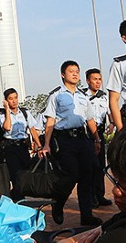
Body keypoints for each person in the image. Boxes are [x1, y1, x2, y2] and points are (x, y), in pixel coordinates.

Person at [41, 61, 102, 227]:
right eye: (71, 71)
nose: (75, 74)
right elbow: (50, 121)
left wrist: (97, 139)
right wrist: (46, 144)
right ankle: (58, 203)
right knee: (71, 174)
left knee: (87, 176)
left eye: (77, 71)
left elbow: (90, 120)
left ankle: (87, 215)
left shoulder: (83, 96)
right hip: (65, 140)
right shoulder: (56, 96)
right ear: (63, 75)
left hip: (83, 139)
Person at [0, 87, 38, 199]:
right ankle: (19, 199)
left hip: (23, 147)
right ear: (6, 101)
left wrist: (39, 145)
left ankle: (20, 196)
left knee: (25, 173)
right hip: (10, 148)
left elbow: (32, 129)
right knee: (15, 175)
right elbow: (7, 127)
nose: (14, 101)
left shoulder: (24, 112)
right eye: (10, 99)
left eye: (15, 98)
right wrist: (7, 110)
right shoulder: (1, 114)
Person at [84, 68, 112, 206]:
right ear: (88, 81)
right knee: (90, 166)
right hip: (87, 134)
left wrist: (111, 123)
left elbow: (109, 111)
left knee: (100, 166)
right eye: (94, 79)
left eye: (99, 79)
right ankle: (90, 197)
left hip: (100, 132)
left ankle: (100, 195)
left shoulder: (104, 96)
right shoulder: (82, 96)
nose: (98, 82)